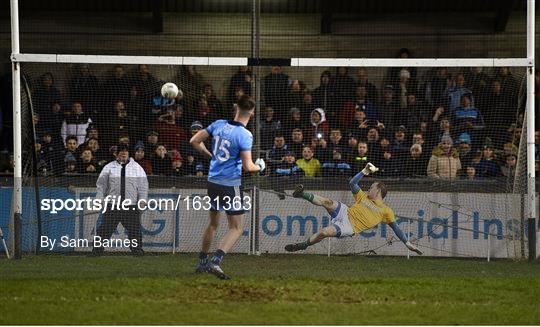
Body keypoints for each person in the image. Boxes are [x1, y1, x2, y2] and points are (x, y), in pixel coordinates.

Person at [190, 95, 265, 279]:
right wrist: (261, 166)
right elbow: (249, 167)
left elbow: (194, 141)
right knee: (237, 227)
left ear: (236, 108)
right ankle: (215, 261)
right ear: (252, 113)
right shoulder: (245, 135)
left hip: (213, 181)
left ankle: (202, 262)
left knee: (213, 223)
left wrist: (210, 156)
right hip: (230, 184)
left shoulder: (218, 124)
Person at [284, 163, 422, 255]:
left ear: (379, 190)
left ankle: (302, 245)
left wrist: (407, 243)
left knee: (324, 232)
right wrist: (364, 171)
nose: (369, 188)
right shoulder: (363, 197)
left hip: (349, 227)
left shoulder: (386, 211)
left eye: (372, 186)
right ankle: (301, 193)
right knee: (327, 201)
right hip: (345, 212)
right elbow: (352, 183)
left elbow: (396, 228)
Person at [91, 143, 148, 256]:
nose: (123, 153)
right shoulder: (108, 168)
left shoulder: (137, 168)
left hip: (130, 205)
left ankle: (137, 250)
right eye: (121, 151)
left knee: (135, 230)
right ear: (116, 154)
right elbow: (101, 186)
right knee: (105, 229)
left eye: (125, 151)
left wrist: (142, 199)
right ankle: (97, 251)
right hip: (113, 205)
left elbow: (143, 186)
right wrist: (99, 199)